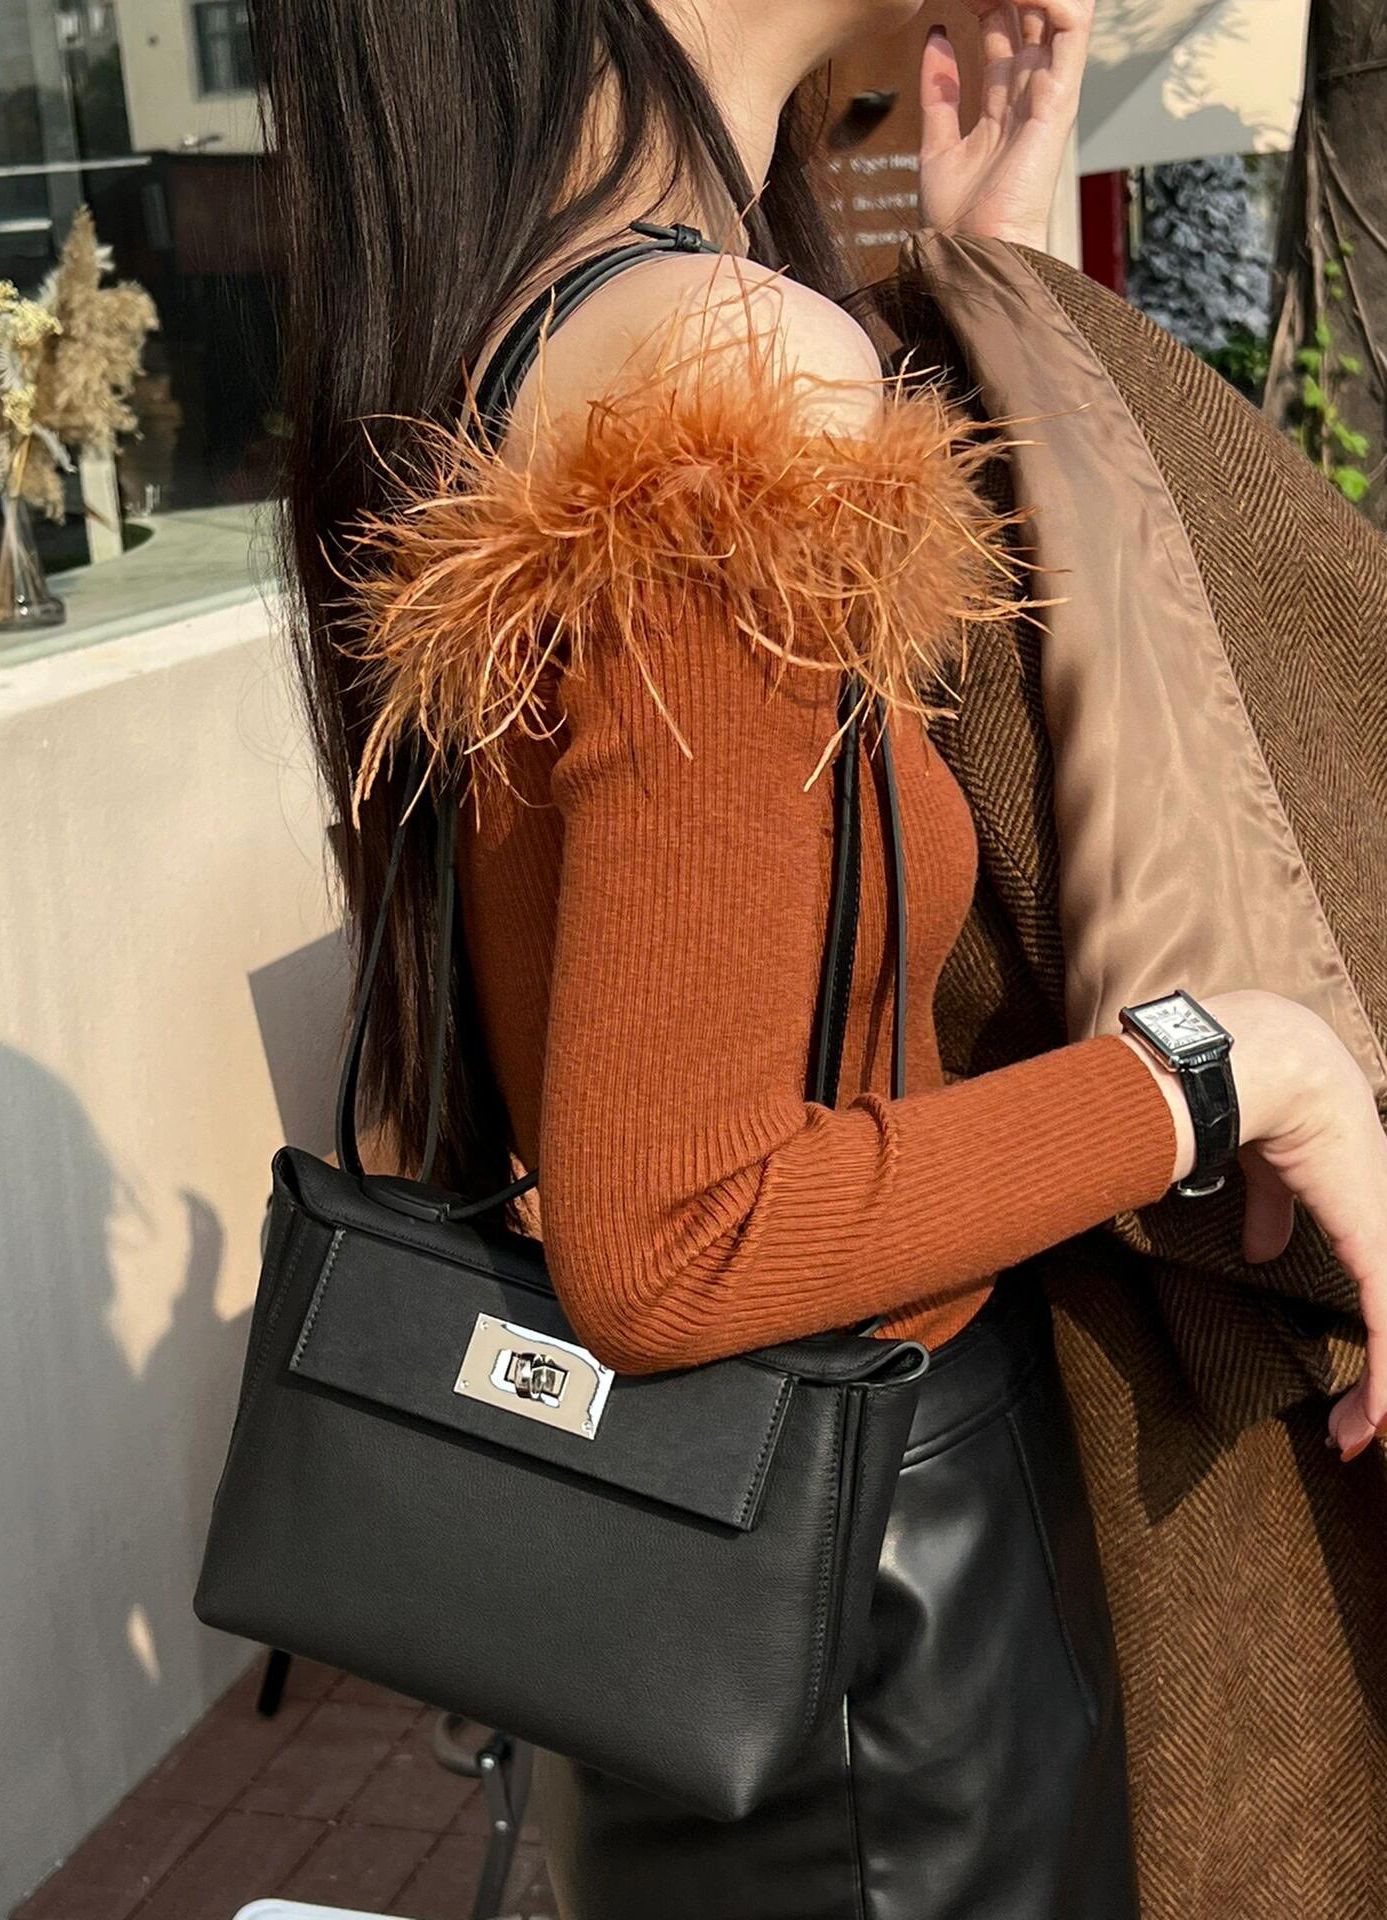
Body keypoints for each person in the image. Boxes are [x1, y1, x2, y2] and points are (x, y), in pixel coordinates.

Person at [253, 1, 1387, 1914]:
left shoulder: (542, 299)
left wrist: (983, 304)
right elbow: (677, 1234)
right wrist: (1230, 1068)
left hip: (741, 1624)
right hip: (878, 1689)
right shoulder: (728, 359)